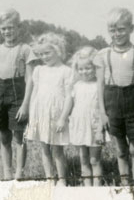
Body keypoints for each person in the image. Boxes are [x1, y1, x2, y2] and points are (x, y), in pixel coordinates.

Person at [93, 8, 134, 186]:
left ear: (131, 28)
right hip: (112, 104)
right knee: (120, 150)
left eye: (121, 29)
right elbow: (100, 86)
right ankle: (126, 185)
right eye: (112, 30)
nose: (116, 34)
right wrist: (103, 113)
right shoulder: (103, 54)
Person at [0, 8, 37, 180]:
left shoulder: (25, 49)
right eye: (4, 28)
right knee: (4, 136)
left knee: (19, 136)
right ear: (0, 29)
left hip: (18, 96)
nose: (7, 31)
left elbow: (30, 79)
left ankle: (19, 174)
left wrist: (25, 104)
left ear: (18, 28)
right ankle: (7, 172)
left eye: (11, 27)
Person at [24, 32, 72, 186]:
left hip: (57, 115)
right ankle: (49, 179)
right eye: (41, 54)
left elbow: (69, 97)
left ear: (58, 50)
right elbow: (34, 94)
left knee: (58, 150)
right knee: (44, 148)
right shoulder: (39, 70)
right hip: (41, 114)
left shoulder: (66, 71)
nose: (44, 56)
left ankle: (62, 181)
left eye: (48, 52)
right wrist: (32, 117)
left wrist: (63, 118)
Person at [56, 46, 104, 186]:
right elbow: (69, 104)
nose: (84, 72)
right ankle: (87, 190)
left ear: (95, 68)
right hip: (79, 126)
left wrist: (101, 129)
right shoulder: (76, 86)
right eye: (81, 69)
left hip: (94, 127)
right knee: (83, 159)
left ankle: (97, 190)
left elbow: (103, 109)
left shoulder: (99, 86)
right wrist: (63, 119)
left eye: (88, 68)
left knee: (94, 160)